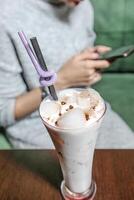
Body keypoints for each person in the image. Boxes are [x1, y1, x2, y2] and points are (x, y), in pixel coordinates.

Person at [0, 0, 134, 148]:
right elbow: (4, 110)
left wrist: (89, 61)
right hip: (39, 125)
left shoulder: (82, 6)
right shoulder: (6, 16)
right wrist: (62, 80)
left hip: (87, 108)